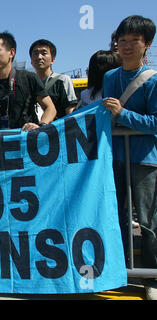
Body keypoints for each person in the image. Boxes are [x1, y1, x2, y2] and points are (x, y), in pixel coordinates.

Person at [101, 15, 157, 300]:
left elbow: (155, 122)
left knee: (147, 220)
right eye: (121, 40)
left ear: (146, 44)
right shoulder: (110, 77)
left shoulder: (153, 80)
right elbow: (102, 118)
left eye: (134, 41)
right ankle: (119, 269)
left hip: (145, 159)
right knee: (116, 217)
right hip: (113, 158)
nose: (126, 46)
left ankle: (153, 276)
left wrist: (123, 114)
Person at [0, 32, 56, 131]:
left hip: (25, 140)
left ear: (11, 53)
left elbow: (50, 108)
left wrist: (41, 125)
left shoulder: (28, 78)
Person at [29, 39, 77, 119]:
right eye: (35, 53)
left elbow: (70, 109)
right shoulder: (28, 83)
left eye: (44, 53)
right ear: (31, 60)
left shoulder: (62, 80)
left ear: (52, 60)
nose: (39, 57)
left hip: (56, 130)